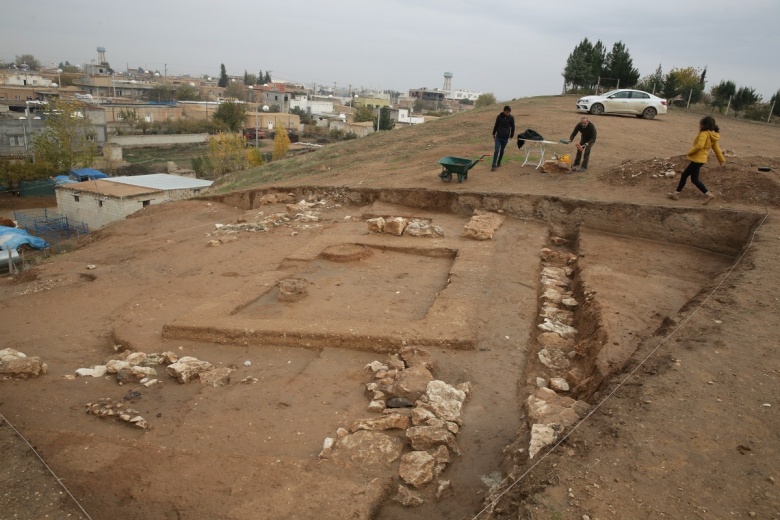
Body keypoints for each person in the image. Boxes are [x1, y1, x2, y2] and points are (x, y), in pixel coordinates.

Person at [668, 116, 725, 205]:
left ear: (704, 125)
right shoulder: (713, 135)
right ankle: (677, 193)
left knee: (685, 175)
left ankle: (676, 194)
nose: (699, 126)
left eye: (700, 124)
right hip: (702, 160)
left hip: (697, 159)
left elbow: (699, 146)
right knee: (694, 179)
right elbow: (716, 148)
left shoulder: (704, 134)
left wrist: (690, 152)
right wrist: (721, 160)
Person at [491, 106, 515, 171]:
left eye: (509, 112)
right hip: (498, 137)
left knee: (502, 151)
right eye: (507, 112)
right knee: (496, 150)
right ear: (504, 111)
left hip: (506, 137)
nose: (508, 113)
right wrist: (493, 133)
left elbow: (513, 127)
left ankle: (499, 162)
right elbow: (496, 125)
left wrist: (511, 136)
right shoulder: (499, 117)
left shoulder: (511, 118)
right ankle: (494, 165)